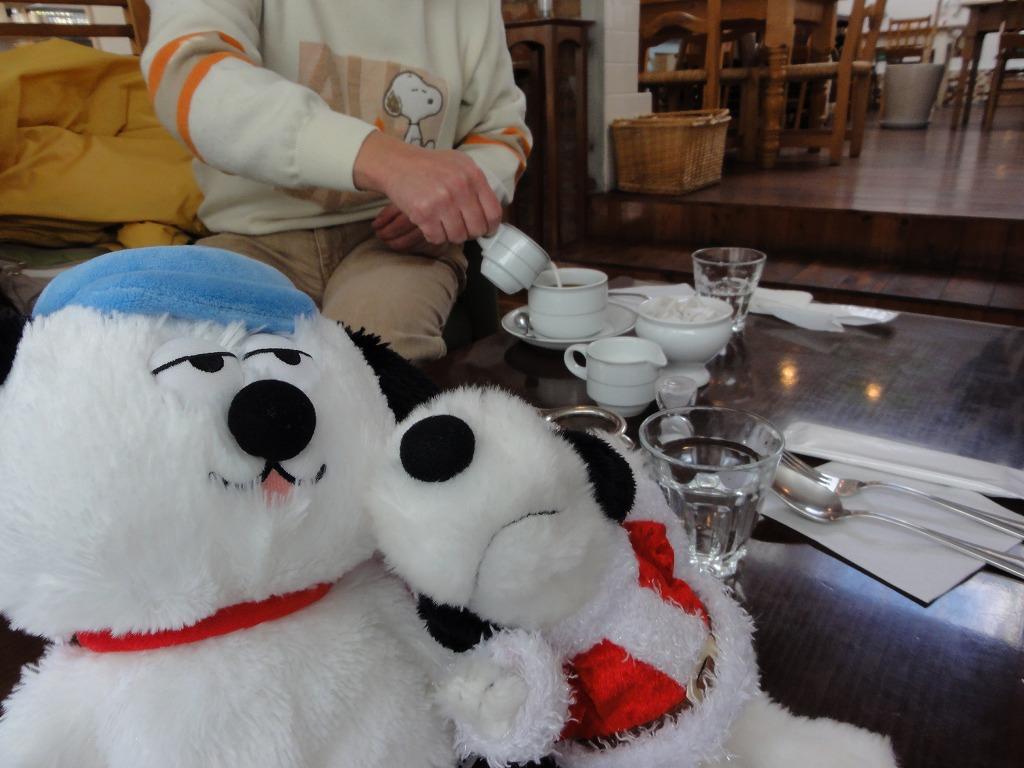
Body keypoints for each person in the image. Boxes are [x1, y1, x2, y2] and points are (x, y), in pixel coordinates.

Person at [141, 0, 531, 361]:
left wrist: (451, 198)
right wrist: (387, 161)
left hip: (394, 241)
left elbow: (501, 131)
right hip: (250, 235)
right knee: (196, 366)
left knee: (370, 365)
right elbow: (188, 74)